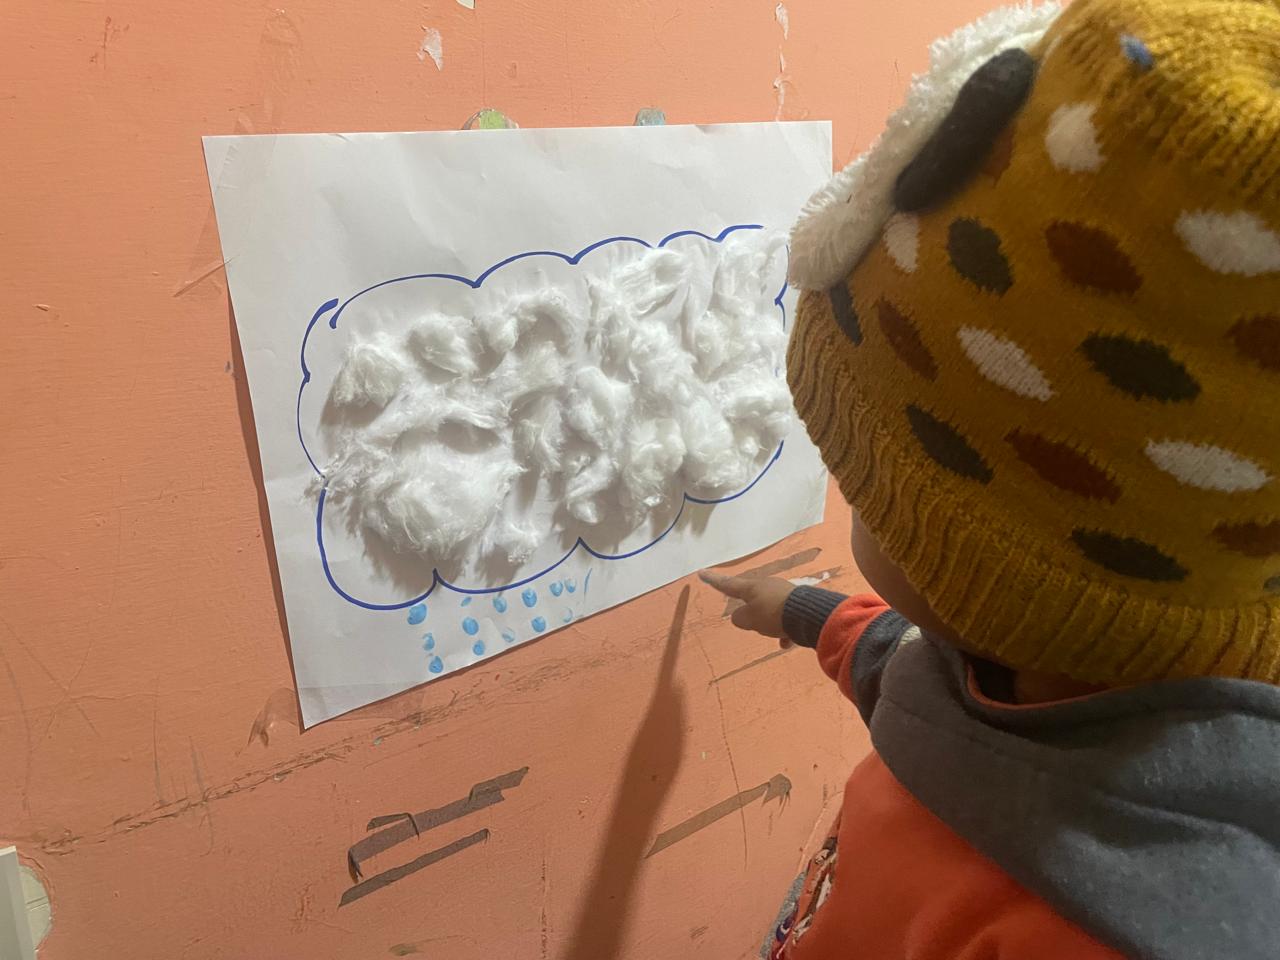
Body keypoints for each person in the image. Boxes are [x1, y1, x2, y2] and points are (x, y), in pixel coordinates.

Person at [701, 1, 1280, 957]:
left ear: (998, 584)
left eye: (875, 490)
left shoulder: (1093, 931)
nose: (851, 499)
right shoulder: (1035, 681)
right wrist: (799, 611)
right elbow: (912, 676)